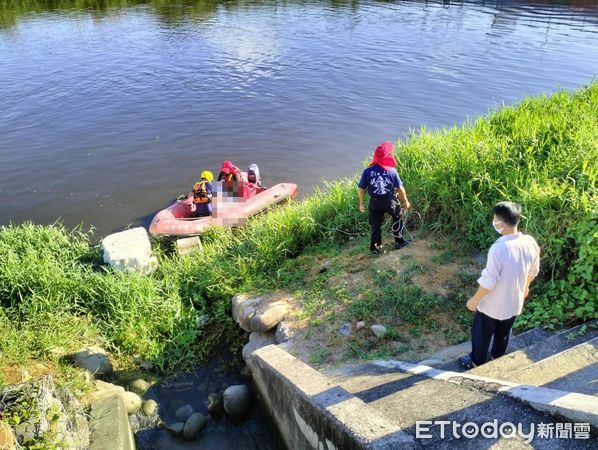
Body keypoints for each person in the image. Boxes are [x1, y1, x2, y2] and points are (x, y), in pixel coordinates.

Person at [459, 201, 540, 369]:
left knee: (482, 334)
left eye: (495, 218)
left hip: (491, 304)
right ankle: (497, 358)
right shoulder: (530, 242)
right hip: (513, 300)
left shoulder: (499, 248)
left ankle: (477, 361)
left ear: (501, 223)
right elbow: (533, 271)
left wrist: (474, 300)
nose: (494, 221)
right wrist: (525, 287)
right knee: (503, 333)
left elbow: (489, 281)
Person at [358, 141, 411, 255]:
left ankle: (375, 248)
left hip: (375, 203)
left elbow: (361, 189)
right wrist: (405, 202)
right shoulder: (392, 171)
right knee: (398, 217)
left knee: (375, 225)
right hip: (390, 202)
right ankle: (399, 242)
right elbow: (400, 189)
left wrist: (361, 204)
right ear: (388, 156)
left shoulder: (367, 171)